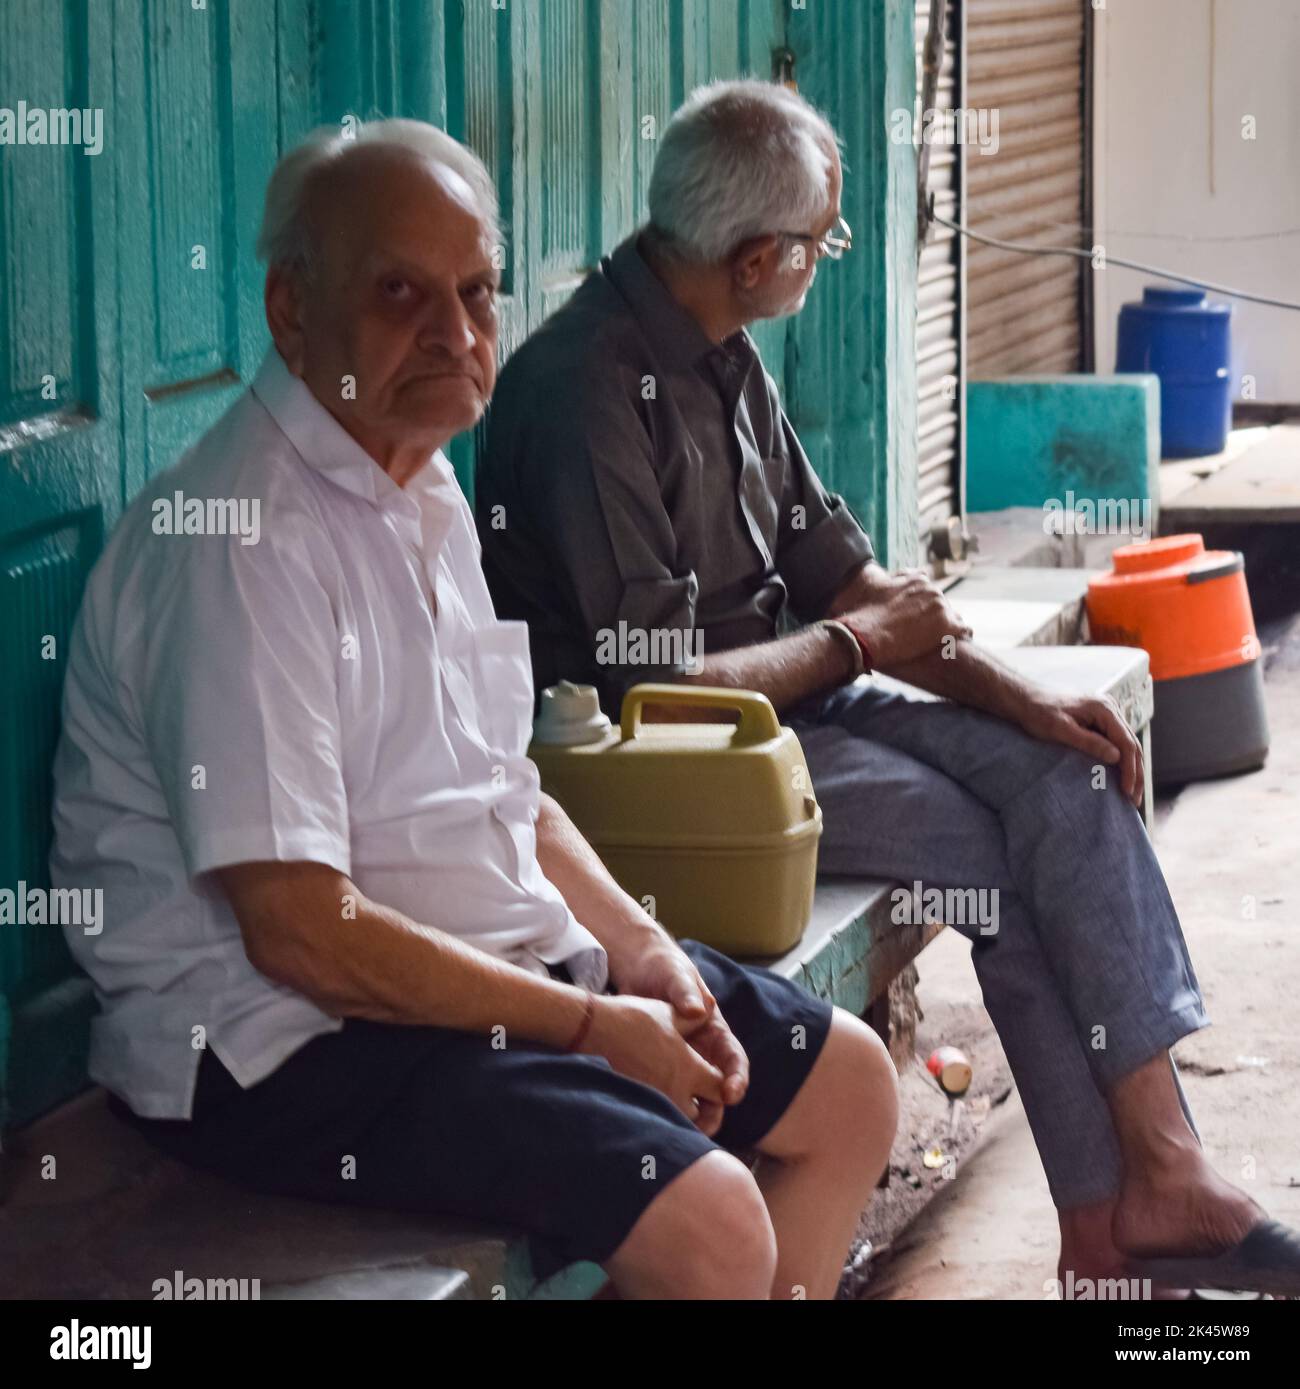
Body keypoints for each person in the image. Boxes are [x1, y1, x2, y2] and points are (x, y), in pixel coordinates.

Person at [49, 119, 899, 1301]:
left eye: (475, 292)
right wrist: (588, 1028)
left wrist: (639, 954)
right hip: (282, 1044)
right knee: (710, 1221)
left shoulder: (425, 478)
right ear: (293, 310)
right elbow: (299, 930)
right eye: (399, 292)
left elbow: (509, 789)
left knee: (848, 1087)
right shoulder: (243, 541)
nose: (453, 333)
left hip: (475, 966)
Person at [476, 80, 1300, 1297]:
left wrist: (1020, 698)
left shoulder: (724, 356)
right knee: (994, 846)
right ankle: (1112, 1219)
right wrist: (855, 646)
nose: (829, 258)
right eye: (824, 240)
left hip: (792, 715)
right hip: (668, 771)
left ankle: (1156, 1176)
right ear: (759, 255)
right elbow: (652, 680)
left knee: (1064, 774)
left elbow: (847, 577)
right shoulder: (581, 388)